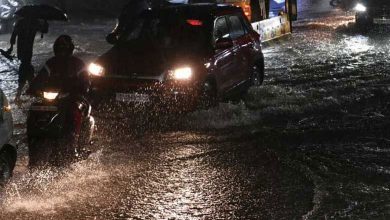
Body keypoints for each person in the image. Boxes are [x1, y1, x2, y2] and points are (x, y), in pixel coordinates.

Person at [27, 35, 90, 167]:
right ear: (55, 49)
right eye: (59, 48)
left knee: (74, 112)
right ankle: (33, 146)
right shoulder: (50, 63)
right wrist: (33, 88)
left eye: (64, 49)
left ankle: (73, 143)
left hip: (72, 97)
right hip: (53, 99)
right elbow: (40, 79)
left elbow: (85, 82)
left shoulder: (78, 64)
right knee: (33, 109)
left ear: (70, 50)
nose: (62, 51)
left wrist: (79, 89)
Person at [7, 17, 48, 103]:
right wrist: (45, 22)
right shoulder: (34, 22)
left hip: (23, 51)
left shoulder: (22, 22)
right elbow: (44, 30)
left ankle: (27, 93)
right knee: (26, 69)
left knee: (27, 69)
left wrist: (11, 47)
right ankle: (23, 94)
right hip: (27, 51)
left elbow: (14, 35)